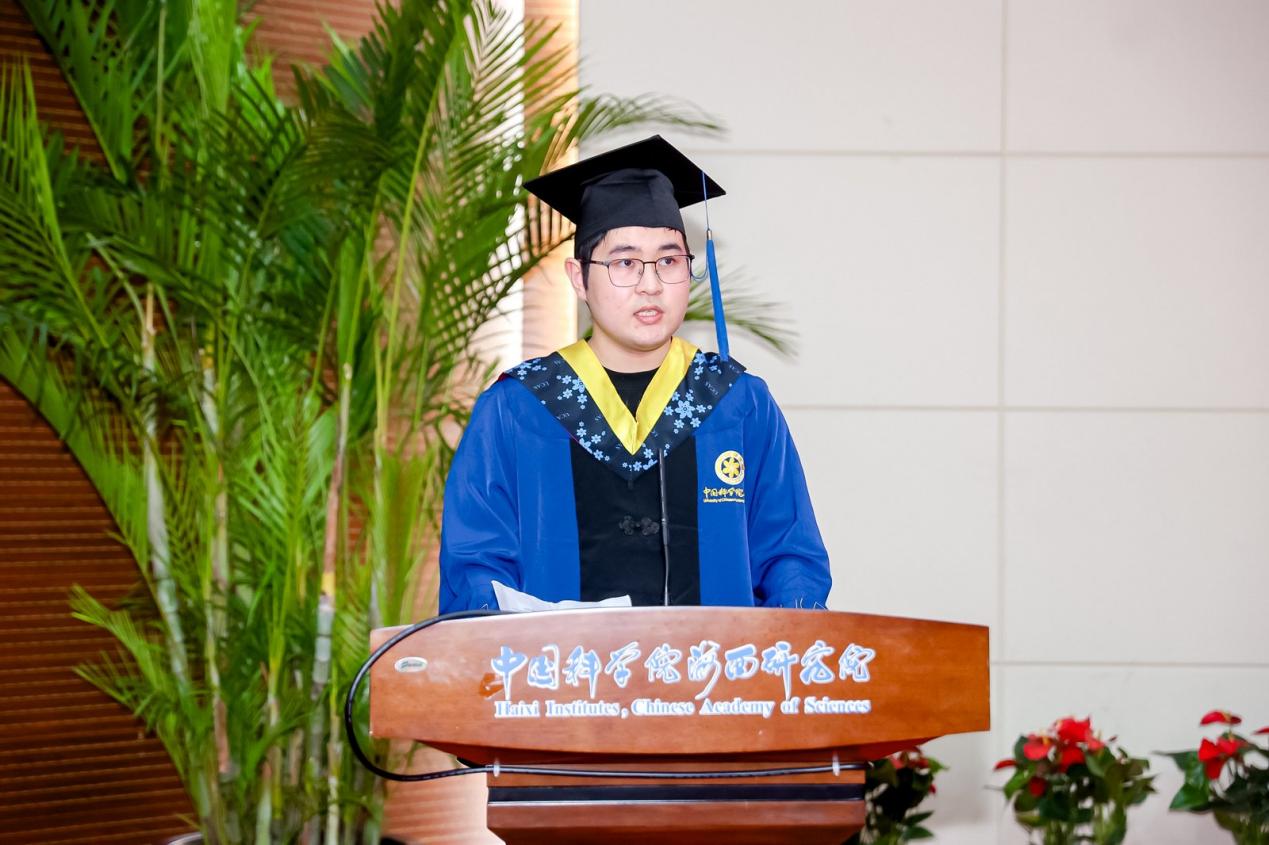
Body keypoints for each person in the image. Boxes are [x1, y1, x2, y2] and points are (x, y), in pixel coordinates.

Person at [438, 136, 830, 613]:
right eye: (625, 263)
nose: (651, 284)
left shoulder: (736, 401)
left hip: (712, 662)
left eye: (669, 261)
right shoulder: (519, 407)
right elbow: (476, 567)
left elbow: (789, 556)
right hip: (561, 662)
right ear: (579, 278)